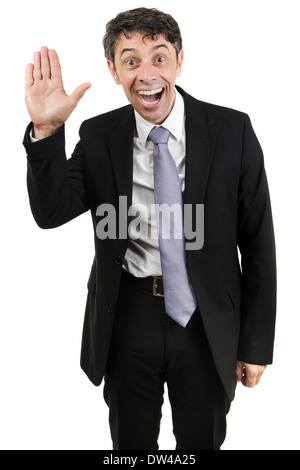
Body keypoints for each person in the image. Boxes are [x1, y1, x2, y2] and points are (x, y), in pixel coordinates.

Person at [23, 7, 276, 450]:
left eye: (159, 57)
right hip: (128, 315)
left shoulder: (232, 130)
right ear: (113, 70)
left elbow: (258, 242)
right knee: (131, 448)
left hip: (206, 320)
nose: (147, 74)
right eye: (131, 60)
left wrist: (255, 344)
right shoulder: (99, 135)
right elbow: (51, 211)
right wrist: (46, 132)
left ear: (179, 61)